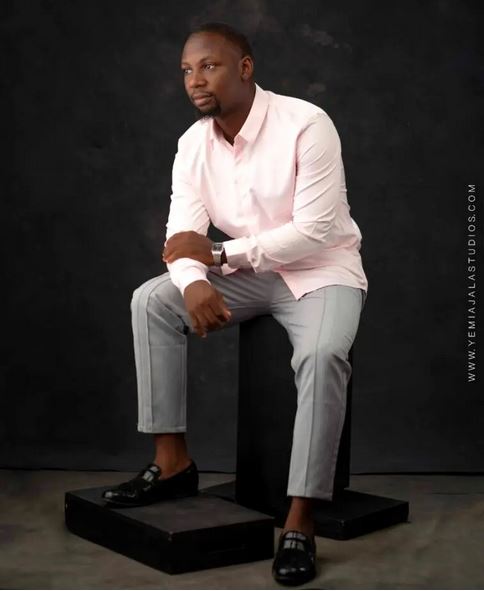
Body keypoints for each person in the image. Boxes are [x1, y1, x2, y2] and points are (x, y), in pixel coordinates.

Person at [102, 21, 368, 586]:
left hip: (322, 273)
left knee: (322, 356)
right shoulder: (192, 145)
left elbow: (315, 231)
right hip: (249, 274)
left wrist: (220, 257)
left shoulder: (307, 124)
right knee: (152, 301)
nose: (194, 80)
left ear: (245, 68)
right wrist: (192, 281)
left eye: (209, 66)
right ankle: (172, 462)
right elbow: (181, 236)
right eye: (186, 70)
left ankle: (299, 517)